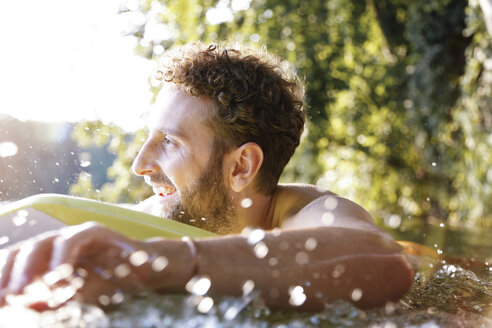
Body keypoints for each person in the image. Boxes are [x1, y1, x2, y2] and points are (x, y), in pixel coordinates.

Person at [0, 42, 413, 311]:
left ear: (241, 167)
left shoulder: (309, 211)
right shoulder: (155, 213)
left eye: (170, 142)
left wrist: (151, 264)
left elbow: (382, 259)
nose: (139, 164)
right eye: (148, 138)